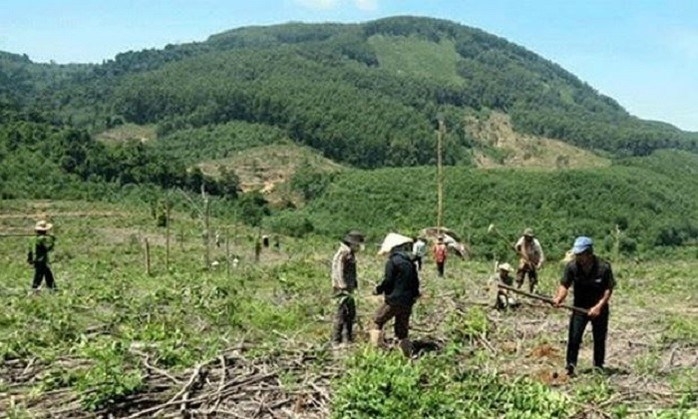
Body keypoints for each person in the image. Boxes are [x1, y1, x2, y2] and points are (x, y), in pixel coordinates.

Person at [552, 236, 615, 376]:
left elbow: (608, 289)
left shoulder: (603, 267)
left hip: (599, 308)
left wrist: (598, 307)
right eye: (577, 254)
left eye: (581, 254)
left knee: (599, 338)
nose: (578, 257)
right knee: (574, 337)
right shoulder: (572, 267)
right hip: (579, 307)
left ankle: (598, 367)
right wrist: (559, 298)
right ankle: (570, 366)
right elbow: (564, 285)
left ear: (589, 253)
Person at [371, 233, 420, 357]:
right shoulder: (410, 263)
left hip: (394, 300)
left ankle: (374, 351)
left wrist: (378, 290)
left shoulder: (392, 262)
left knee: (377, 320)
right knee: (402, 329)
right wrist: (415, 295)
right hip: (408, 301)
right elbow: (415, 282)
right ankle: (407, 355)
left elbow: (388, 281)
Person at [331, 230, 365, 346]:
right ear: (352, 243)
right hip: (342, 289)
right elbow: (337, 269)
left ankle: (348, 339)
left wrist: (354, 284)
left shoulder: (350, 253)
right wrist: (341, 285)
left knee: (350, 313)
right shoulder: (343, 253)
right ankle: (336, 341)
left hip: (349, 288)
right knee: (341, 314)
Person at [27, 220, 56, 292]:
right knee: (39, 276)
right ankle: (35, 289)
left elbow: (30, 251)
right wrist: (52, 240)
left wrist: (30, 259)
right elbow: (48, 248)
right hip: (42, 260)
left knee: (47, 274)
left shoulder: (32, 239)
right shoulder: (42, 239)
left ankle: (52, 288)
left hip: (36, 260)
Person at [514, 228, 545, 293]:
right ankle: (517, 287)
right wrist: (517, 250)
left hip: (533, 260)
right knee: (520, 272)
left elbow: (541, 255)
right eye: (527, 236)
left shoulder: (536, 243)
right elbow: (517, 247)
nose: (528, 238)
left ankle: (533, 291)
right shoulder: (522, 240)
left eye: (529, 237)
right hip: (524, 259)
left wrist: (539, 264)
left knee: (532, 277)